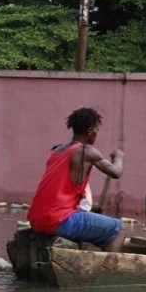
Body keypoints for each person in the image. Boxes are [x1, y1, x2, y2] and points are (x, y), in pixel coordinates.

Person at [27, 107, 126, 252]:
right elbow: (116, 172)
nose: (97, 134)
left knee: (96, 222)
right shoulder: (86, 151)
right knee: (120, 228)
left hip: (36, 219)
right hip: (58, 219)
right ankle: (106, 266)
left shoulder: (57, 151)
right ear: (90, 131)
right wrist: (119, 158)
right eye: (97, 130)